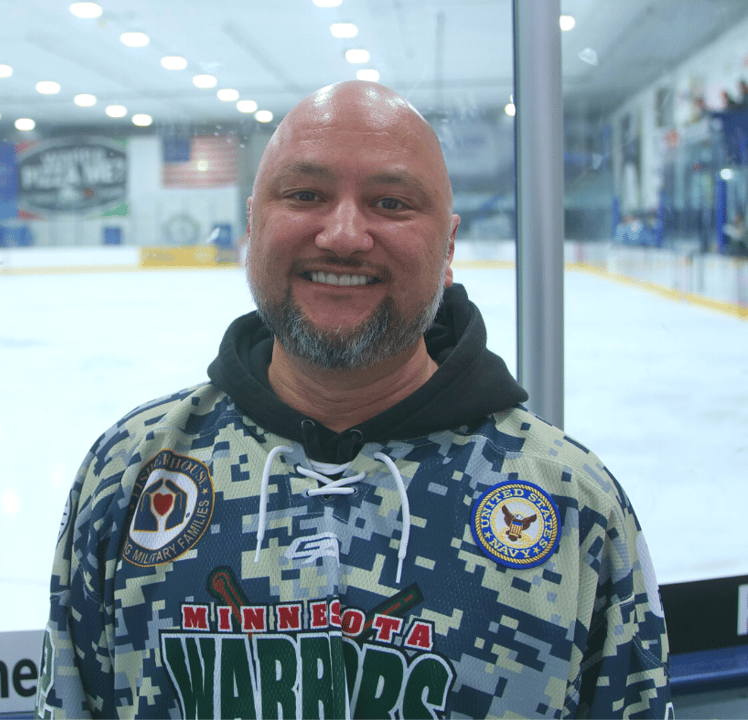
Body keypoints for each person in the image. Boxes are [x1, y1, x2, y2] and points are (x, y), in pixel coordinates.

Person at [36, 81, 671, 719]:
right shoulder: (132, 473)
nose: (343, 235)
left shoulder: (569, 502)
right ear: (254, 227)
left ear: (448, 248)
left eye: (391, 202)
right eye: (306, 195)